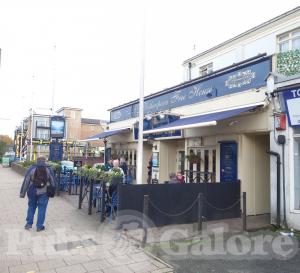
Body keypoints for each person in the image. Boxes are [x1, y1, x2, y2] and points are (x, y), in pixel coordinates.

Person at [20, 156, 56, 232]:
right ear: (44, 161)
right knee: (42, 208)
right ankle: (39, 226)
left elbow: (26, 181)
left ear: (37, 161)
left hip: (32, 191)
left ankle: (28, 224)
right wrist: (53, 191)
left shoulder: (31, 168)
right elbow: (53, 181)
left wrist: (22, 194)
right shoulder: (48, 169)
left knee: (31, 207)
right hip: (44, 192)